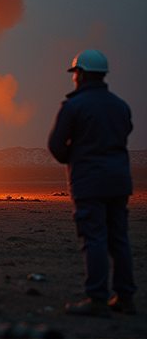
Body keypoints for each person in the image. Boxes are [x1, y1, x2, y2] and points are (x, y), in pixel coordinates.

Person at [48, 49, 137, 317]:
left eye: (75, 73)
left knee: (94, 238)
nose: (74, 78)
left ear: (82, 74)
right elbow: (125, 133)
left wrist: (73, 157)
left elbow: (55, 145)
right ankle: (125, 297)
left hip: (90, 182)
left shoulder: (74, 105)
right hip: (120, 182)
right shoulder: (120, 105)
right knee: (119, 239)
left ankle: (97, 299)